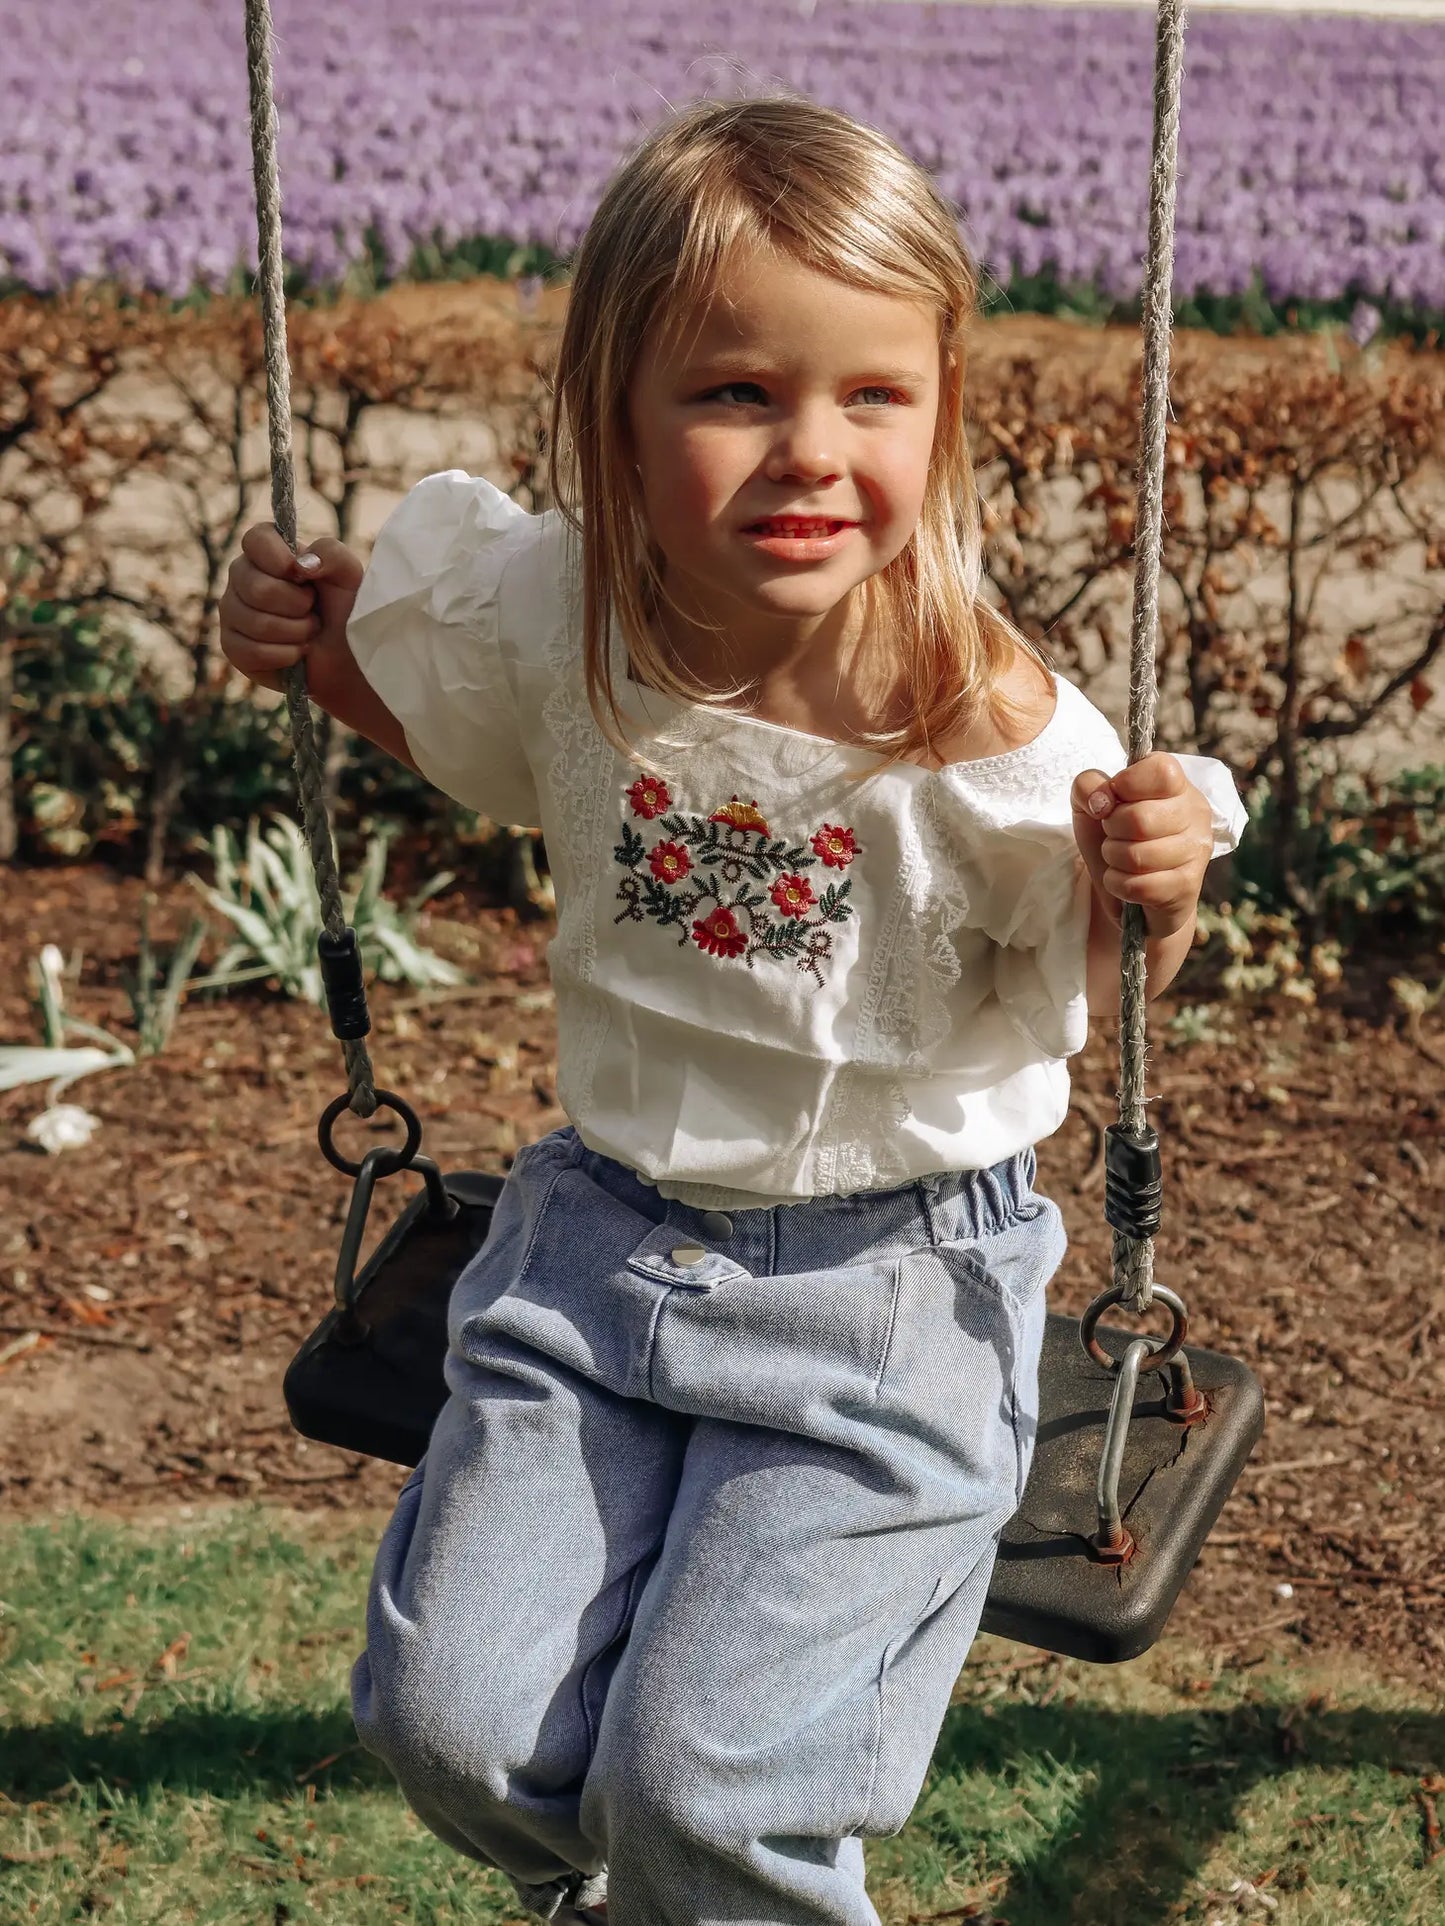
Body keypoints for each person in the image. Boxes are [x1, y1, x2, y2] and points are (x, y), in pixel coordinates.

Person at [218, 92, 1246, 1926]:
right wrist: (318, 655)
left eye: (872, 396)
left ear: (943, 406)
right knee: (446, 1722)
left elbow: (1095, 985)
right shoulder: (563, 613)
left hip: (890, 1294)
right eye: (732, 394)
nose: (808, 453)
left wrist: (1147, 893)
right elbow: (475, 743)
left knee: (708, 1783)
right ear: (615, 414)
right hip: (597, 1248)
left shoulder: (991, 735)